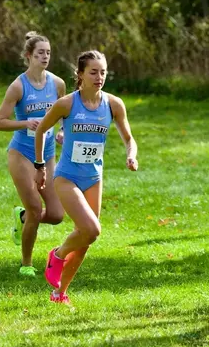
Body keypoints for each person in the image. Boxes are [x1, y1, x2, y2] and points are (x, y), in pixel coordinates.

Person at [36, 50, 138, 305]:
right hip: (67, 177)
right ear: (80, 74)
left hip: (94, 177)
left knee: (86, 240)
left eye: (103, 72)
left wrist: (131, 155)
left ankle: (59, 294)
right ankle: (57, 255)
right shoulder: (67, 104)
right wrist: (40, 165)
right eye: (93, 72)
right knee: (91, 229)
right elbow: (40, 131)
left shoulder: (113, 104)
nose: (99, 77)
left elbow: (129, 138)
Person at [0, 32, 66, 277]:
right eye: (40, 53)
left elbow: (64, 113)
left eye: (48, 53)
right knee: (36, 208)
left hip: (47, 154)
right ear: (28, 56)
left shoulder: (57, 84)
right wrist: (25, 123)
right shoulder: (18, 86)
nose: (45, 57)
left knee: (56, 215)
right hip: (22, 153)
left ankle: (22, 217)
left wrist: (62, 132)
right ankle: (26, 264)